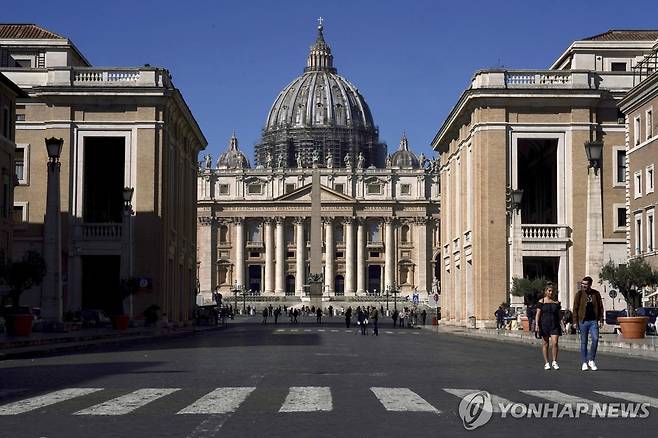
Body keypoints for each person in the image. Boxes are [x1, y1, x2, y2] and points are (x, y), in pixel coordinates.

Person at [573, 276, 604, 371]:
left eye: (585, 284)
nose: (583, 286)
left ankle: (591, 360)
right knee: (584, 342)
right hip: (583, 321)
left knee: (595, 339)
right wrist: (575, 321)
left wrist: (601, 319)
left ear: (590, 284)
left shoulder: (596, 294)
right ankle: (584, 362)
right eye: (582, 284)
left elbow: (600, 307)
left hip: (593, 321)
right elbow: (575, 308)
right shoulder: (579, 294)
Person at [534, 285, 562, 370]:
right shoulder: (541, 302)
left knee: (555, 343)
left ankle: (554, 361)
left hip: (554, 324)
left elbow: (559, 315)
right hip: (544, 325)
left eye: (552, 291)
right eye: (549, 291)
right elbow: (538, 314)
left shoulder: (556, 303)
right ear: (546, 291)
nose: (551, 292)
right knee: (545, 344)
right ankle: (546, 362)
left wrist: (563, 325)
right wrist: (536, 325)